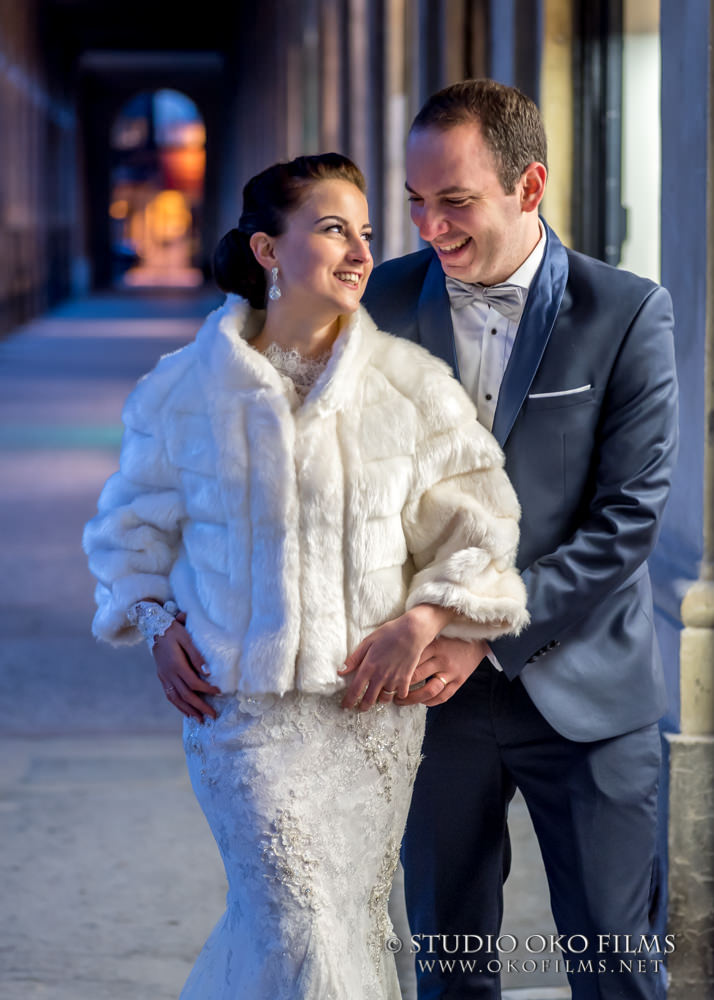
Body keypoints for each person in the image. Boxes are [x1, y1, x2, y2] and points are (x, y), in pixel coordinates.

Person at [83, 152, 529, 1000]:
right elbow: (127, 529)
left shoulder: (412, 388)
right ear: (266, 250)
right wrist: (152, 622)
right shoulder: (182, 392)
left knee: (350, 922)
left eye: (365, 231)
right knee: (297, 915)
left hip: (369, 715)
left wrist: (429, 620)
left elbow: (481, 527)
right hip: (238, 710)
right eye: (333, 230)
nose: (361, 251)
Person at [362, 79, 678, 1000]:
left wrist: (475, 631)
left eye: (454, 201)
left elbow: (627, 517)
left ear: (529, 187)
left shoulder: (626, 312)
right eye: (415, 201)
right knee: (449, 966)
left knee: (615, 967)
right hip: (431, 704)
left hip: (587, 692)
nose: (430, 226)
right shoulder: (378, 306)